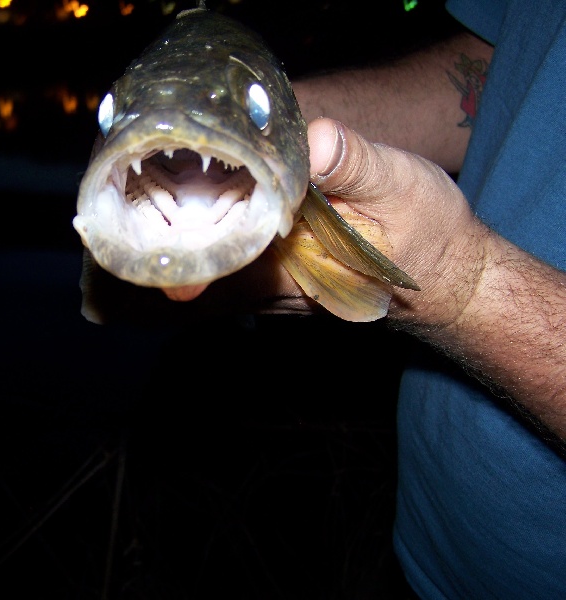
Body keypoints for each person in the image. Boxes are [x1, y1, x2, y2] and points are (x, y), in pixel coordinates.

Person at [279, 0, 565, 597]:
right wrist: (278, 124)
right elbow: (499, 73)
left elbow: (452, 283)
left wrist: (464, 287)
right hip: (429, 556)